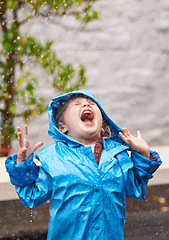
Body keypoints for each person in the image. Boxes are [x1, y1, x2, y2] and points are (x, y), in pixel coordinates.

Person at [6, 90, 162, 240]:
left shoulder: (118, 156)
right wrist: (22, 164)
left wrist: (144, 154)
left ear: (102, 126)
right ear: (62, 126)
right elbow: (31, 197)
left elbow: (135, 187)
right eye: (77, 104)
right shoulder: (53, 159)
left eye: (91, 103)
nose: (86, 105)